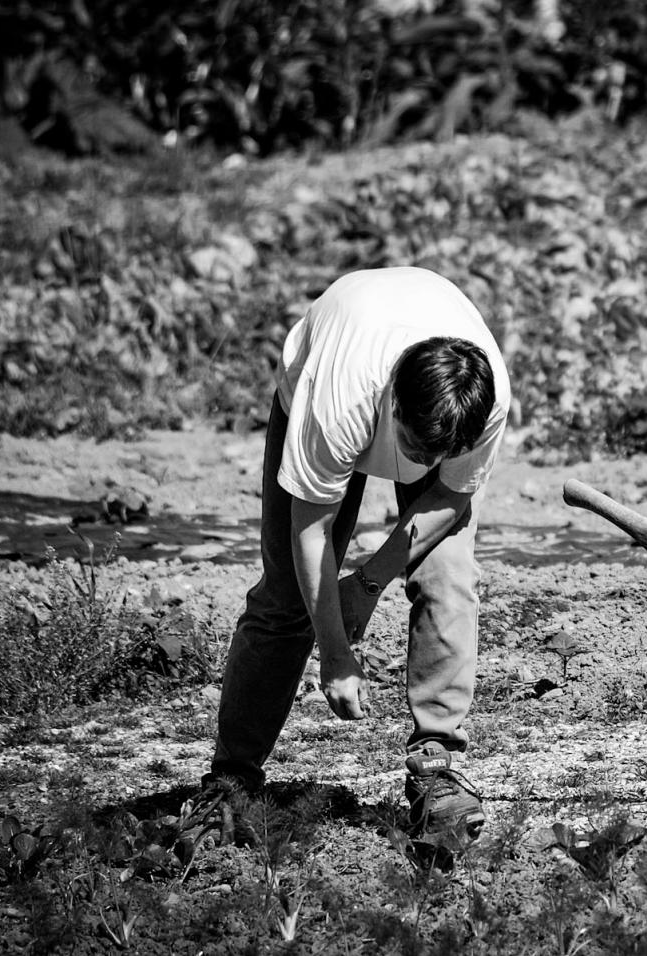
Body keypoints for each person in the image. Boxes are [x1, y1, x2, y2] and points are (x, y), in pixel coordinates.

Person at [203, 266, 511, 844]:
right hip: (325, 366)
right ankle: (231, 779)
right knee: (286, 597)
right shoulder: (340, 399)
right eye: (415, 448)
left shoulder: (482, 400)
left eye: (440, 453)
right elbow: (311, 532)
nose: (424, 464)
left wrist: (368, 583)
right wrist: (336, 655)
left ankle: (437, 765)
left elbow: (450, 495)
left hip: (417, 353)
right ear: (392, 405)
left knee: (448, 578)